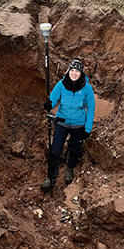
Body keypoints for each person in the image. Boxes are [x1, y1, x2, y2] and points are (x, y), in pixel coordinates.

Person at [41, 58, 95, 192]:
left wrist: (87, 128)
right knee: (55, 150)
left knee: (75, 148)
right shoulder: (61, 84)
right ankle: (50, 176)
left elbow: (91, 107)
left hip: (78, 124)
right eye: (72, 70)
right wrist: (49, 105)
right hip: (62, 122)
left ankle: (69, 168)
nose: (74, 73)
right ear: (68, 71)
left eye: (77, 71)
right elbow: (53, 99)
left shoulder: (87, 88)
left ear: (81, 73)